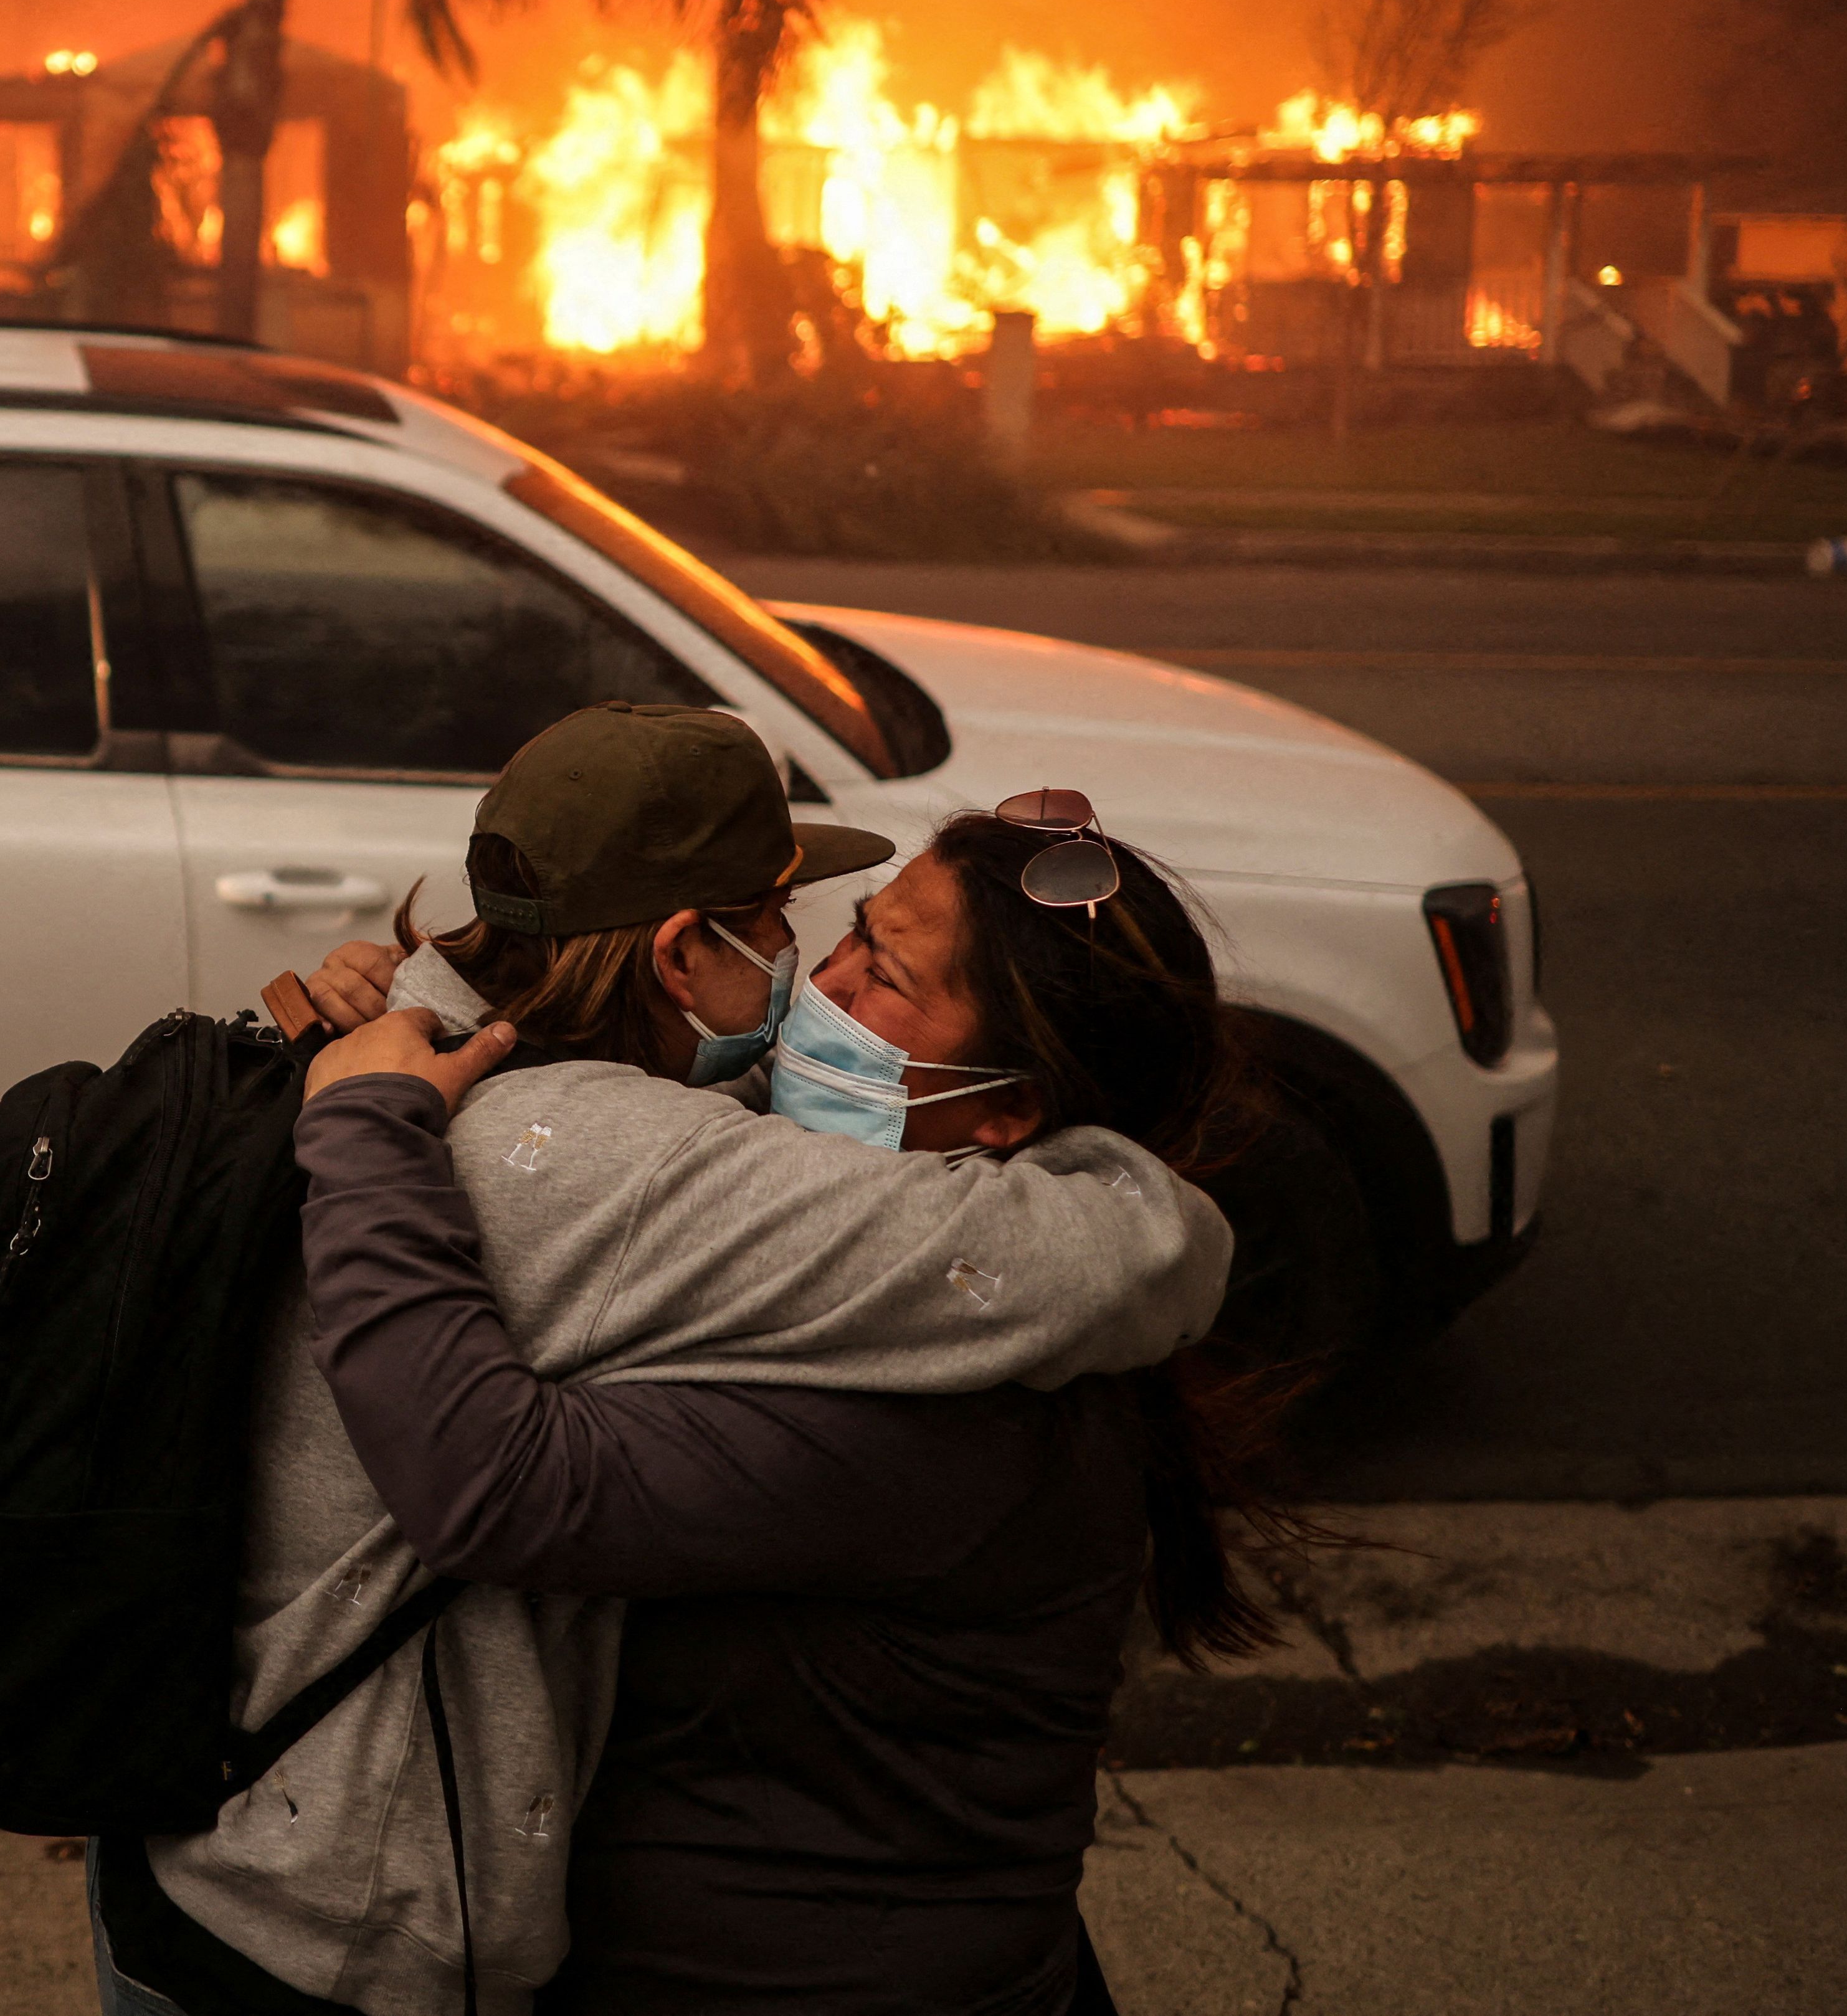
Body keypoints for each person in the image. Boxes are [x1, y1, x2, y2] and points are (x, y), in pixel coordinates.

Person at [87, 706, 1236, 2016]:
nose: (823, 982)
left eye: (879, 965)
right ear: (687, 954)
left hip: (281, 1867)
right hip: (337, 1933)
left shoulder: (948, 1379)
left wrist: (397, 1036)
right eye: (823, 929)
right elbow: (1104, 1241)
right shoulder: (680, 1182)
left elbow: (526, 1439)